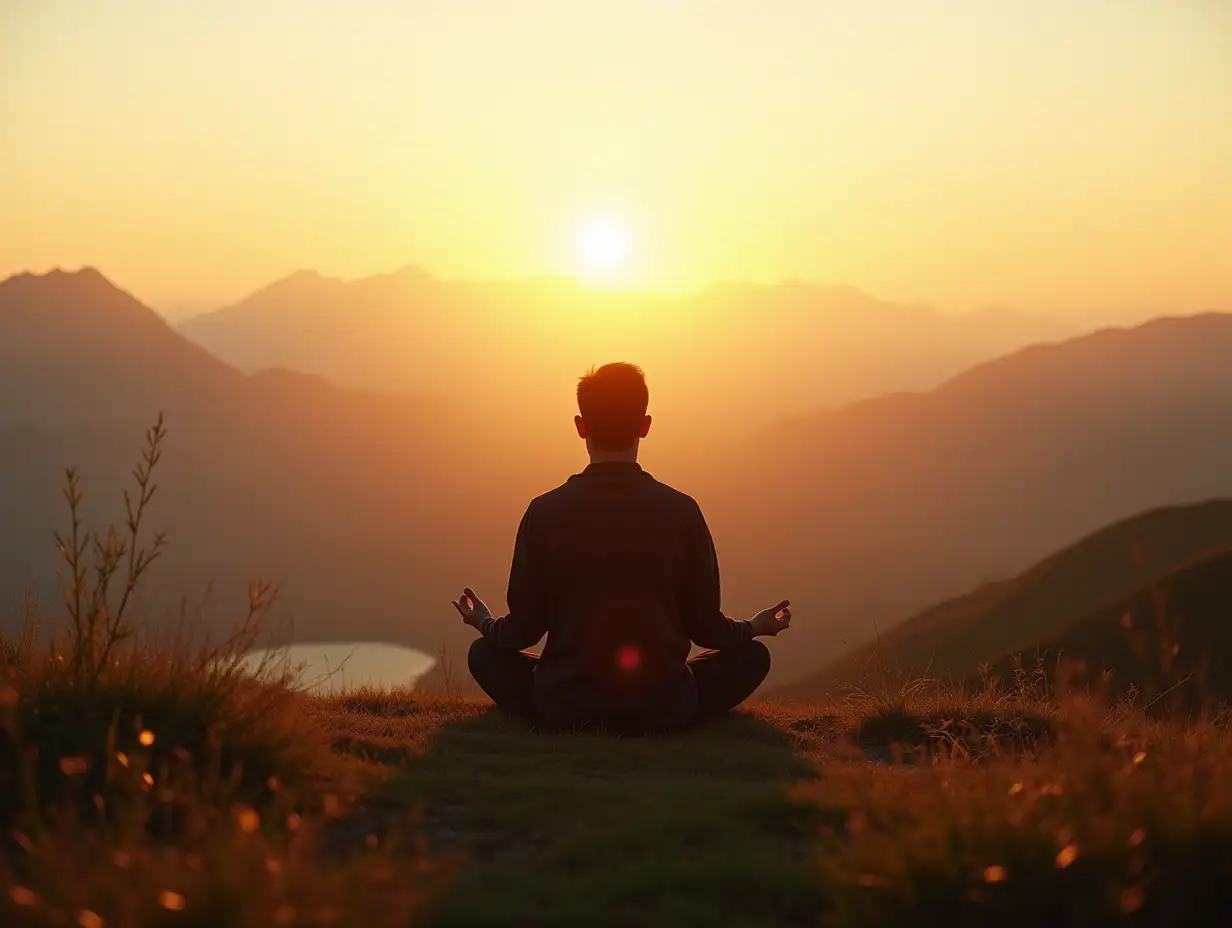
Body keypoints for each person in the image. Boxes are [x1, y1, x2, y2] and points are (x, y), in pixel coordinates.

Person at [452, 362, 792, 732]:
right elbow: (706, 628)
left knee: (483, 655)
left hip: (564, 705)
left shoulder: (544, 512)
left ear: (581, 426)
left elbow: (522, 631)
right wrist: (754, 627)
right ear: (645, 426)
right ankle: (659, 705)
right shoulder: (681, 511)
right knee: (753, 657)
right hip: (663, 705)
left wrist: (483, 622)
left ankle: (567, 703)